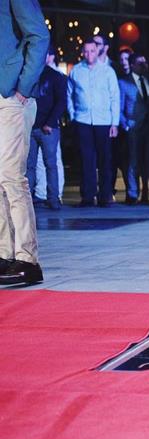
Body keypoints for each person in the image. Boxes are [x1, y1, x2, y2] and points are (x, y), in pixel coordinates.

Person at [0, 0, 49, 285]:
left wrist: (23, 87)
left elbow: (39, 35)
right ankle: (5, 254)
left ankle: (28, 260)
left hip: (11, 97)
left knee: (11, 177)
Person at [68, 38, 120, 207]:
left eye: (92, 50)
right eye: (86, 51)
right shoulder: (76, 71)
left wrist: (115, 123)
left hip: (103, 121)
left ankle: (105, 196)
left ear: (98, 51)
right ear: (82, 52)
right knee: (86, 159)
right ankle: (88, 196)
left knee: (105, 159)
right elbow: (69, 94)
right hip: (83, 120)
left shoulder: (108, 72)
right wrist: (73, 115)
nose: (89, 54)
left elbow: (115, 97)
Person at [27, 45, 67, 211]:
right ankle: (28, 199)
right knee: (29, 165)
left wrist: (50, 123)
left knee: (50, 164)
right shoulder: (29, 74)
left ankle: (53, 198)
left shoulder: (55, 76)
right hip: (30, 127)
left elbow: (61, 101)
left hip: (48, 128)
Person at [119, 53, 149, 204]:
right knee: (134, 160)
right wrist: (125, 125)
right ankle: (133, 193)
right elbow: (119, 106)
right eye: (140, 63)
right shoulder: (124, 82)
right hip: (134, 126)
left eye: (145, 62)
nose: (144, 66)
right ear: (132, 65)